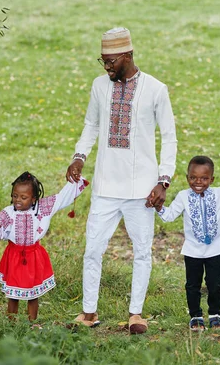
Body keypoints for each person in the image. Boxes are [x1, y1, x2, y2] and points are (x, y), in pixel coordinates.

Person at [66, 27, 177, 334]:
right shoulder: (100, 86)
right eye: (102, 61)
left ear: (128, 55)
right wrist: (79, 156)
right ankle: (89, 312)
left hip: (143, 189)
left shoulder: (156, 89)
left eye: (111, 61)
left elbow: (169, 138)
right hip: (105, 185)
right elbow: (91, 124)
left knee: (142, 251)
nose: (106, 67)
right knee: (92, 249)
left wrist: (163, 181)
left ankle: (136, 314)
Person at [0, 171, 88, 324]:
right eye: (15, 196)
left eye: (23, 197)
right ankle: (11, 323)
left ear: (33, 199)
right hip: (13, 255)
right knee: (13, 294)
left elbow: (60, 198)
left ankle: (32, 323)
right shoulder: (8, 212)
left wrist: (76, 181)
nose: (18, 200)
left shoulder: (43, 208)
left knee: (33, 294)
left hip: (34, 256)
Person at [155, 156, 220, 331]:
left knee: (215, 284)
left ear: (212, 179)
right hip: (192, 251)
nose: (198, 182)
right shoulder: (183, 196)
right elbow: (169, 215)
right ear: (187, 178)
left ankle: (215, 315)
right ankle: (195, 316)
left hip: (216, 250)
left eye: (204, 178)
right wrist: (158, 207)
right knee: (192, 285)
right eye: (193, 178)